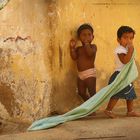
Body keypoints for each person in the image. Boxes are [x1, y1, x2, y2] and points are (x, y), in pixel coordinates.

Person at [104, 26, 140, 118]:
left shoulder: (127, 50)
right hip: (120, 75)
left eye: (131, 38)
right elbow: (125, 61)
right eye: (125, 37)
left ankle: (130, 111)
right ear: (118, 39)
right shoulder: (119, 50)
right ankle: (108, 109)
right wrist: (130, 51)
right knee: (117, 93)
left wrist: (130, 51)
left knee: (130, 93)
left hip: (126, 76)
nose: (128, 40)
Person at [69, 23, 97, 103]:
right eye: (84, 35)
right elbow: (74, 57)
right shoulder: (79, 49)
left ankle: (93, 108)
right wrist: (72, 49)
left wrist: (87, 44)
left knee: (92, 92)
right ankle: (88, 105)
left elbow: (90, 53)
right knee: (81, 92)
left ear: (93, 37)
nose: (86, 37)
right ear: (79, 37)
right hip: (80, 74)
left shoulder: (93, 47)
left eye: (89, 35)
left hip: (90, 74)